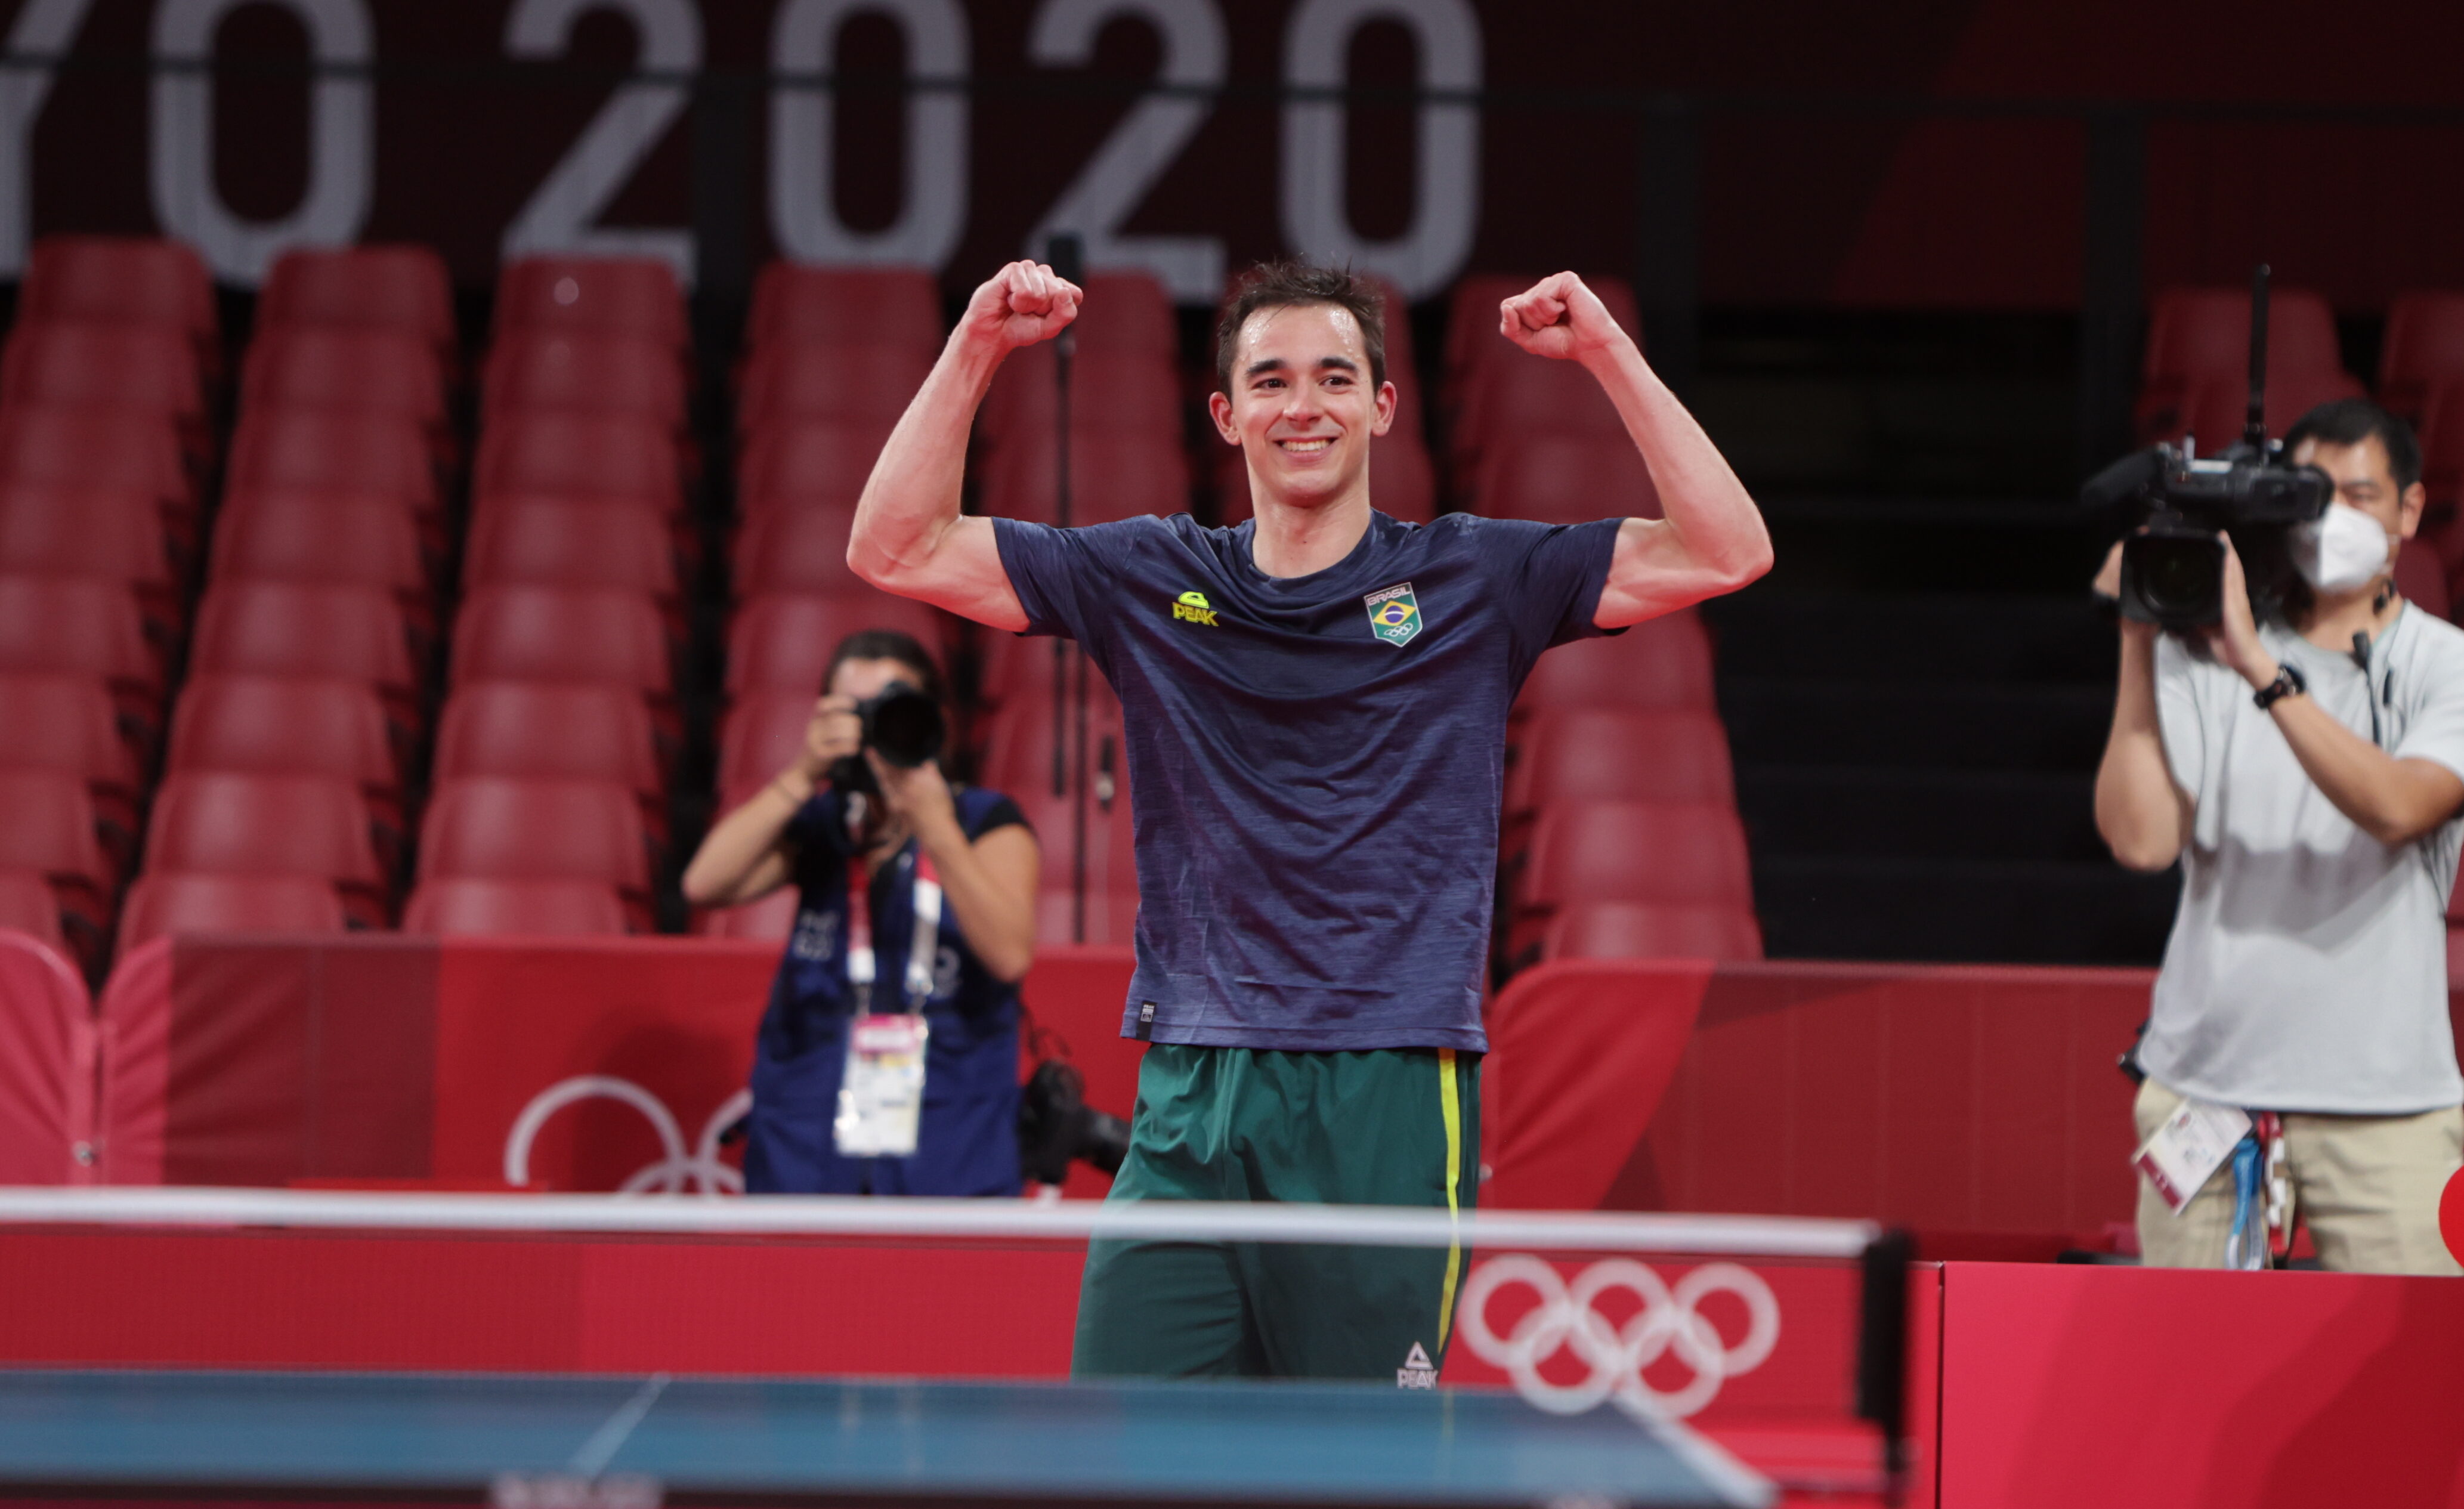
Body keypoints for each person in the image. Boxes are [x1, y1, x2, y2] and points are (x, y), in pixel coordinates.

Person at [846, 258, 1772, 1377]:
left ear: (1381, 406)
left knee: (1359, 1471)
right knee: (1124, 1459)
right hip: (1192, 1087)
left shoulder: (1473, 577)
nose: (1304, 406)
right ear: (1227, 414)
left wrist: (1606, 355)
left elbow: (1729, 549)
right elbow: (892, 547)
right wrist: (978, 345)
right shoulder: (1151, 575)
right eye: (1273, 380)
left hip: (1380, 1086)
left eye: (1336, 378)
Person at [2094, 397, 2464, 1274]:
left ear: (2407, 511)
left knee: (2416, 1386)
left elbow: (2397, 806)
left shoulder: (2443, 664)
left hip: (2387, 1109)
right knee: (2187, 1384)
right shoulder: (2200, 653)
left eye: (2360, 494)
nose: (2332, 517)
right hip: (2204, 1096)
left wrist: (2259, 668)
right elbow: (2140, 840)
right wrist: (2138, 640)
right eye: (2311, 494)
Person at [682, 629, 1039, 1196]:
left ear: (932, 719)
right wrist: (802, 772)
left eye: (890, 709)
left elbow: (1009, 955)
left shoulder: (984, 820)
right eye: (854, 711)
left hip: (952, 1137)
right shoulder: (824, 823)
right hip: (810, 1135)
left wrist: (935, 826)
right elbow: (704, 883)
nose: (873, 728)